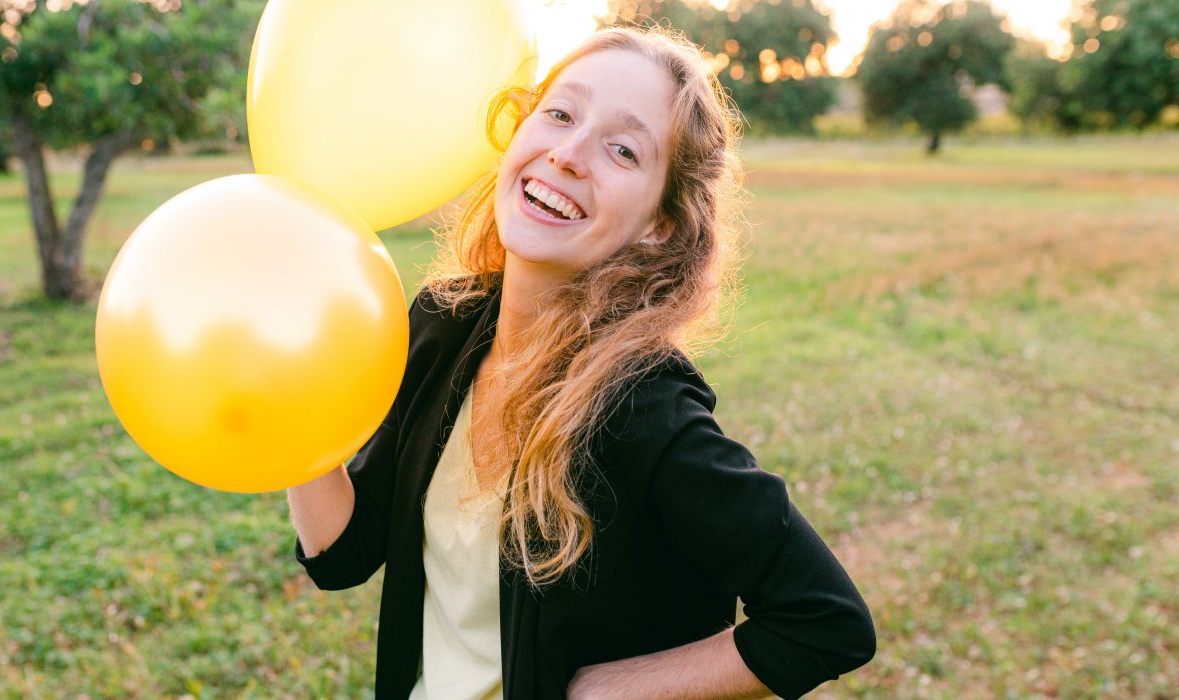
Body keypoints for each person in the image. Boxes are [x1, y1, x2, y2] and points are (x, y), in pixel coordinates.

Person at [286, 25, 875, 700]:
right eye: (560, 114)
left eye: (623, 149)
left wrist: (604, 691)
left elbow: (825, 620)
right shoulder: (441, 326)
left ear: (661, 222)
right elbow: (346, 555)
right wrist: (296, 424)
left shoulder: (642, 412)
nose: (567, 154)